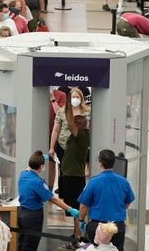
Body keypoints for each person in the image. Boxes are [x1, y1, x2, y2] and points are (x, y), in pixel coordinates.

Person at [18, 150, 80, 251]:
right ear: (42, 166)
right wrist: (70, 209)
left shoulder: (23, 174)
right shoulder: (38, 183)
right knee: (30, 246)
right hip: (32, 217)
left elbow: (29, 166)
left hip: (21, 214)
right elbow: (53, 199)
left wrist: (41, 158)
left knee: (22, 243)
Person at [77, 149, 135, 251]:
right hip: (117, 227)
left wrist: (81, 220)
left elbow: (83, 205)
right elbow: (128, 201)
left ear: (100, 163)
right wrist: (118, 209)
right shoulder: (123, 181)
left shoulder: (93, 182)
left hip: (98, 228)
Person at [59, 89, 91, 246]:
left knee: (75, 207)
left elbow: (70, 121)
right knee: (72, 207)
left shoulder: (82, 136)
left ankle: (79, 237)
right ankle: (76, 233)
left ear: (81, 125)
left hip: (74, 177)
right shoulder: (77, 135)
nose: (73, 124)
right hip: (69, 175)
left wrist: (67, 103)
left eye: (77, 122)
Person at [49, 88, 91, 191]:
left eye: (77, 97)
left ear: (81, 98)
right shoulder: (62, 111)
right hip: (63, 147)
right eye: (73, 97)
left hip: (80, 148)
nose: (75, 99)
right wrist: (51, 148)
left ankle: (80, 194)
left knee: (78, 171)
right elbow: (55, 130)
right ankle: (63, 195)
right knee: (63, 171)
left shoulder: (87, 112)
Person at [48, 87, 66, 190]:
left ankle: (51, 188)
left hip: (55, 134)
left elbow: (60, 113)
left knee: (52, 162)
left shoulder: (61, 95)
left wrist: (53, 99)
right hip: (41, 132)